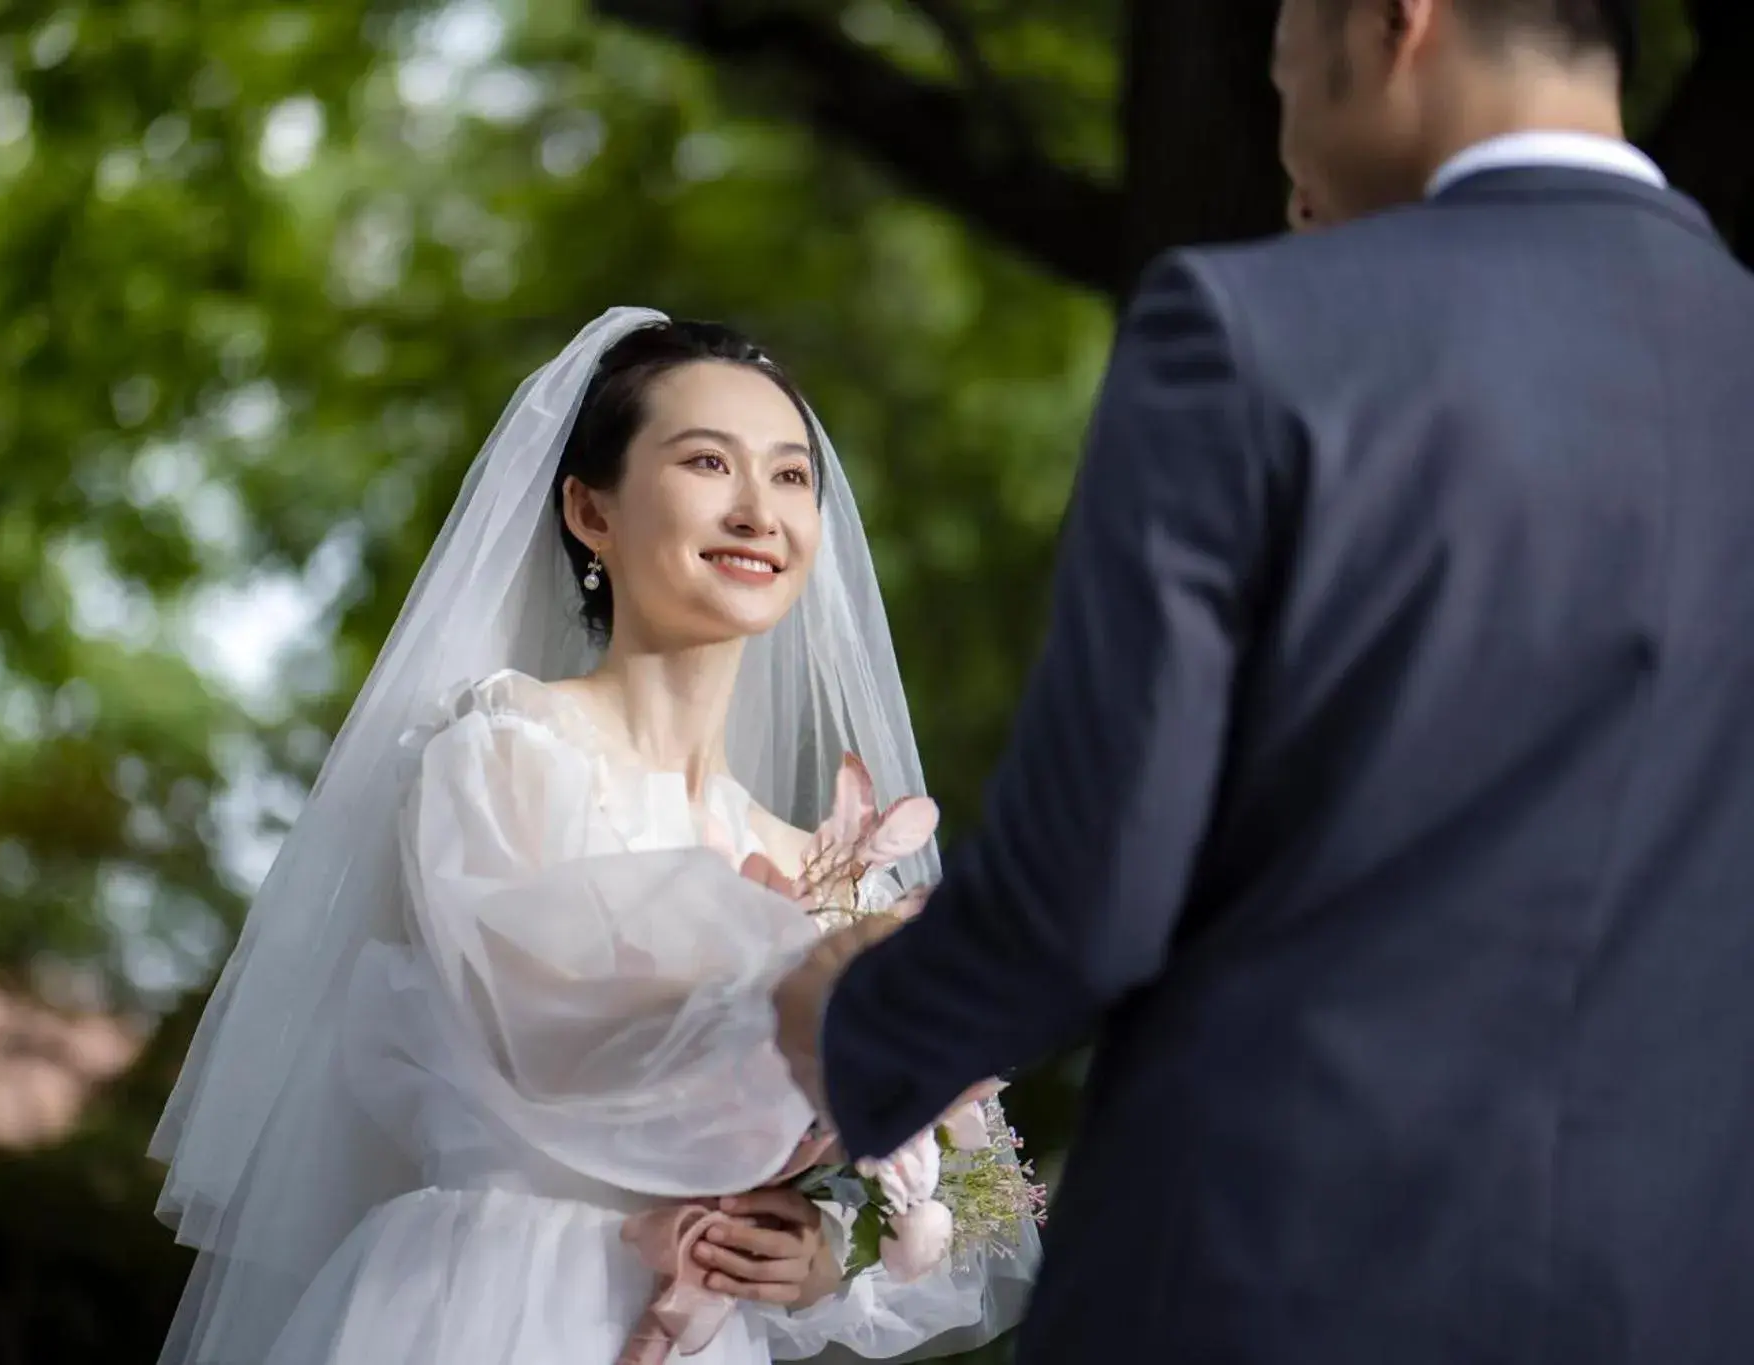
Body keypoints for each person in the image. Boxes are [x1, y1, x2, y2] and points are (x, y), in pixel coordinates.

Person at [774, 1, 1754, 1362]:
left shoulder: (1255, 335)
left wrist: (851, 1021)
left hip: (1267, 1282)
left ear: (1393, 19)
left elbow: (1087, 896)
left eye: (1279, 38)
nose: (1278, 92)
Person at [149, 310, 1034, 1364]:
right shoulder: (499, 752)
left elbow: (974, 1200)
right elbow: (549, 1029)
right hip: (486, 1302)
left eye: (791, 478)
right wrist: (810, 992)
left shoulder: (832, 867)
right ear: (588, 509)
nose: (758, 510)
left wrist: (826, 1250)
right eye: (707, 462)